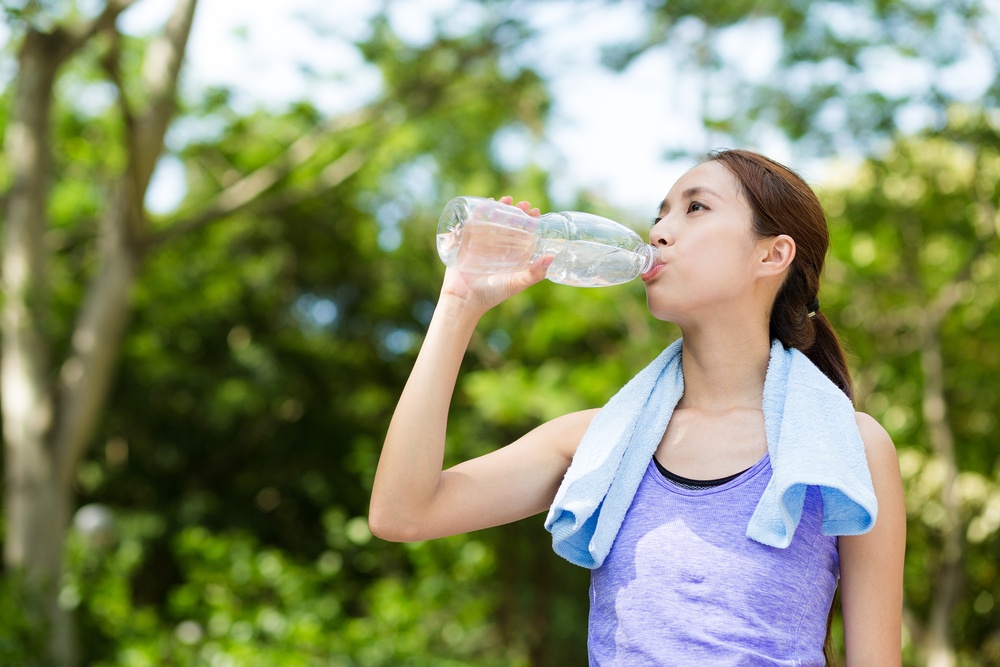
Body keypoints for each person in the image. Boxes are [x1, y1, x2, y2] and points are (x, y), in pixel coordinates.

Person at [369, 149, 906, 665]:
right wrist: (460, 302)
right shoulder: (598, 442)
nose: (659, 231)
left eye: (696, 207)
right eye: (660, 214)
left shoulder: (844, 448)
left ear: (773, 254)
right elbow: (403, 512)